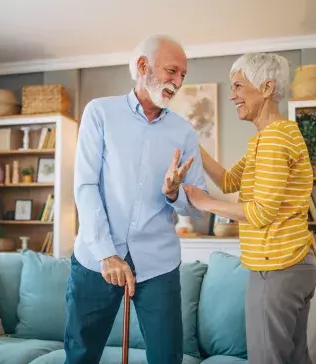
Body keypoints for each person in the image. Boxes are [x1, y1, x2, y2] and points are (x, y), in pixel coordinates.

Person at [64, 34, 207, 364]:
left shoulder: (184, 132)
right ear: (143, 66)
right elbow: (85, 185)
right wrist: (106, 253)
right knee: (80, 355)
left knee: (167, 357)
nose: (178, 81)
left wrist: (174, 193)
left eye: (183, 75)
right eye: (172, 71)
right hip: (95, 258)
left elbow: (196, 203)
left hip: (158, 262)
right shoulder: (99, 112)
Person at [182, 52, 316, 364]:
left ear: (267, 87)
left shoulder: (274, 140)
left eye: (239, 86)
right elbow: (230, 180)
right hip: (292, 262)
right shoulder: (267, 138)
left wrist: (204, 203)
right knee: (294, 358)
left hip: (278, 266)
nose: (233, 95)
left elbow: (260, 213)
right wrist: (192, 141)